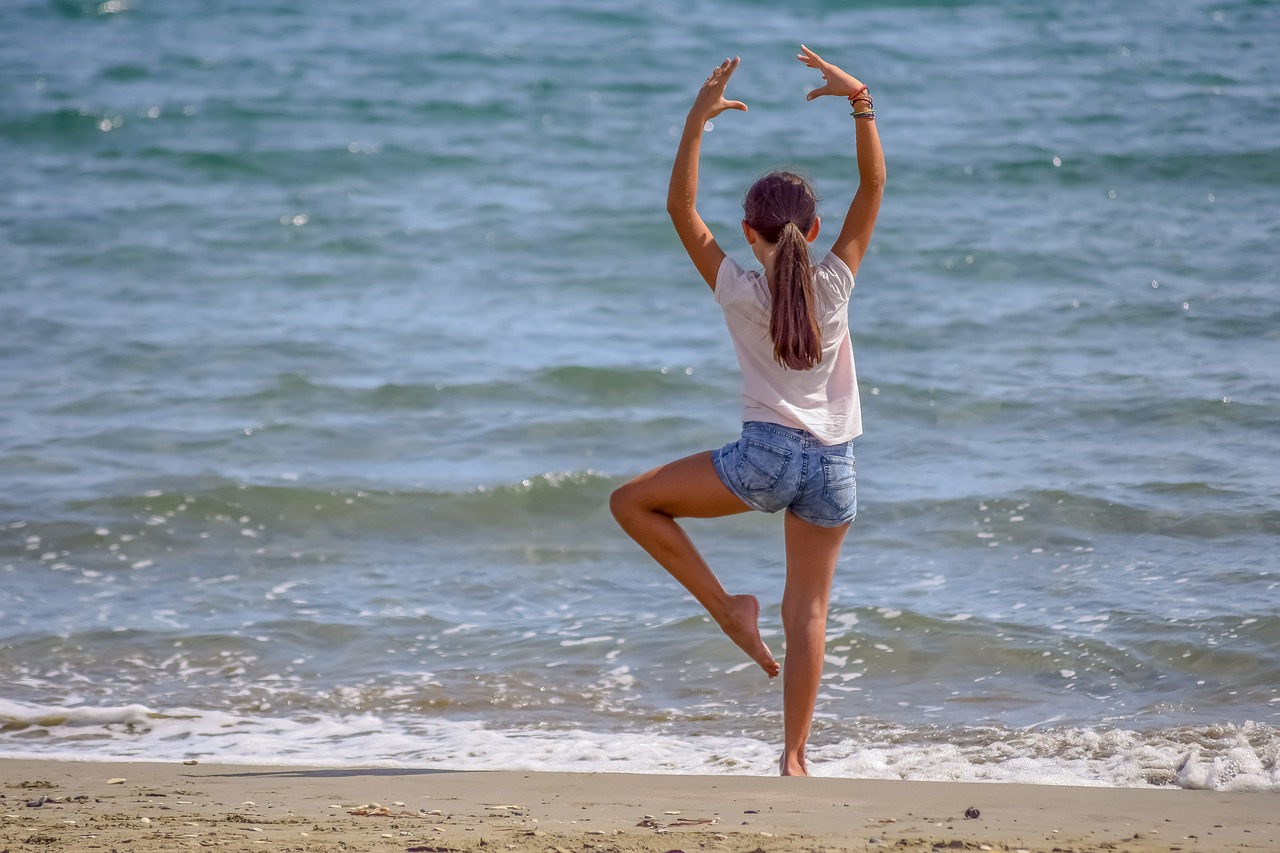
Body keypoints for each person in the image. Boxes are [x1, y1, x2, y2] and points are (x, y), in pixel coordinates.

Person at [609, 45, 885, 777]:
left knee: (632, 502)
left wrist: (696, 121)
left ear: (750, 233)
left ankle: (729, 609)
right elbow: (873, 184)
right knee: (809, 614)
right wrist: (860, 99)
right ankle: (794, 757)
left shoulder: (736, 286)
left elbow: (679, 210)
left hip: (762, 462)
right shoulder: (836, 283)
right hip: (834, 468)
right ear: (815, 232)